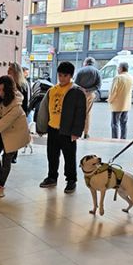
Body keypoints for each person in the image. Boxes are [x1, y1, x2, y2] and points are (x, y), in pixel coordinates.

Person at [35, 62, 86, 193]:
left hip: (68, 131)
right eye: (60, 75)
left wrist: (76, 132)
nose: (62, 78)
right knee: (52, 155)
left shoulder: (76, 91)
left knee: (69, 157)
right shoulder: (52, 90)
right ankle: (52, 177)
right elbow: (44, 110)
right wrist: (41, 127)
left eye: (65, 75)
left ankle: (71, 180)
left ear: (71, 76)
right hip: (53, 128)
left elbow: (80, 114)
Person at [8, 62, 30, 163]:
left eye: (10, 70)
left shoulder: (23, 85)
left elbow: (26, 102)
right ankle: (7, 153)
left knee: (15, 135)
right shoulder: (7, 82)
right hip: (8, 113)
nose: (8, 71)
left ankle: (14, 155)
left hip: (18, 113)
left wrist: (24, 115)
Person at [74, 57, 101, 139]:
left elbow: (75, 84)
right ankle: (86, 133)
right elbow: (98, 86)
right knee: (87, 114)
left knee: (78, 113)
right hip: (90, 94)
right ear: (93, 63)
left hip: (79, 94)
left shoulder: (81, 71)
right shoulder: (97, 72)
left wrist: (82, 89)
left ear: (85, 63)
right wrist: (88, 90)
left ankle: (76, 132)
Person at [108, 62, 133, 139]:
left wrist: (110, 100)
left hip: (117, 104)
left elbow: (113, 91)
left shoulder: (118, 78)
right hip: (126, 104)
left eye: (118, 68)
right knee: (124, 123)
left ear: (121, 68)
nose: (117, 69)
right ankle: (123, 138)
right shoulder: (131, 77)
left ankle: (115, 138)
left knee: (114, 123)